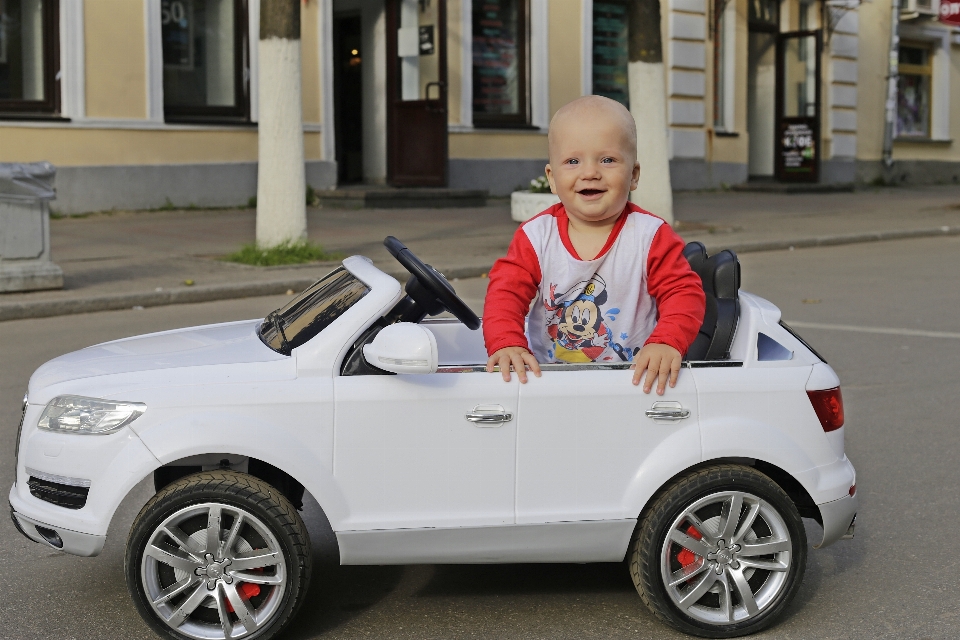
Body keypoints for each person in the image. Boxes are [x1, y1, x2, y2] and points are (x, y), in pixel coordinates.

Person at [483, 95, 706, 395]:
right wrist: (507, 343)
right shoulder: (536, 236)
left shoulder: (650, 235)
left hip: (633, 384)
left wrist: (666, 341)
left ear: (634, 174)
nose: (590, 172)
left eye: (607, 160)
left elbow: (683, 292)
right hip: (545, 384)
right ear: (551, 178)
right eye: (573, 161)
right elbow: (505, 294)